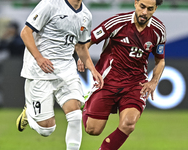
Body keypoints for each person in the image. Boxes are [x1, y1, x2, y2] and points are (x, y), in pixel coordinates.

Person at [78, 0, 166, 149]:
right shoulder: (117, 22)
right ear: (135, 3)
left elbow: (160, 61)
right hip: (108, 81)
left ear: (155, 8)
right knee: (92, 130)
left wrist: (153, 81)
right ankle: (86, 101)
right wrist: (83, 57)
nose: (144, 12)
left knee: (128, 124)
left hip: (135, 84)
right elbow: (88, 41)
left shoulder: (158, 30)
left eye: (150, 9)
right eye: (142, 7)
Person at [16, 0, 103, 150]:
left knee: (75, 115)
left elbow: (81, 47)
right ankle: (29, 113)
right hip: (41, 71)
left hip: (66, 70)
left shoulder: (86, 15)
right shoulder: (50, 4)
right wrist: (39, 58)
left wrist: (93, 70)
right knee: (46, 129)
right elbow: (25, 32)